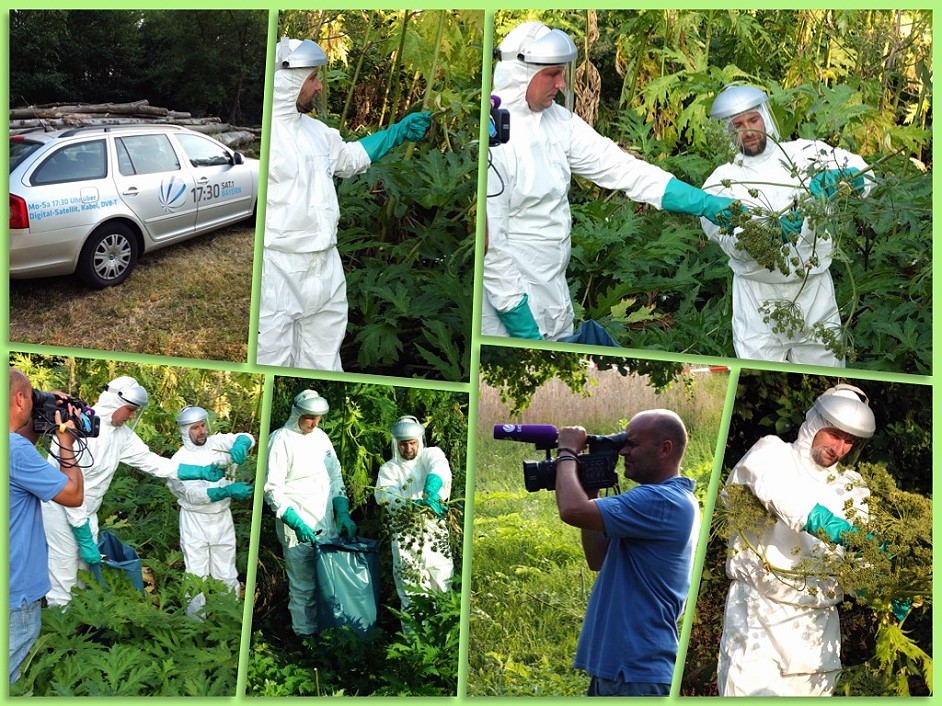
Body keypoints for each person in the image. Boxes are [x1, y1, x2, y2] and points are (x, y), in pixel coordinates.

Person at [484, 22, 742, 341]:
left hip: (552, 303)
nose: (562, 84)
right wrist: (521, 325)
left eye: (561, 73)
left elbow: (623, 168)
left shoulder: (557, 123)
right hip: (507, 322)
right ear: (521, 71)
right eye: (551, 74)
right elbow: (490, 245)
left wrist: (704, 203)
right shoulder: (494, 141)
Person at [258, 37, 432, 371]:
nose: (319, 85)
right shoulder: (267, 138)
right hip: (277, 271)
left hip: (325, 267)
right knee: (272, 361)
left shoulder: (316, 132)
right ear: (287, 81)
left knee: (324, 361)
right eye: (312, 79)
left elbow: (350, 157)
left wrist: (396, 133)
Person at [717, 384, 876, 696]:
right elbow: (780, 492)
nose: (840, 447)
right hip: (760, 614)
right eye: (835, 434)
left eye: (849, 441)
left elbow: (859, 565)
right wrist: (828, 524)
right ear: (816, 421)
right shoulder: (771, 452)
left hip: (819, 626)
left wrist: (880, 580)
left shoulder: (853, 487)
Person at [700, 84, 872, 365]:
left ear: (766, 117)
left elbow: (868, 174)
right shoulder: (721, 182)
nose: (749, 131)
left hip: (814, 292)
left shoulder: (806, 152)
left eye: (753, 120)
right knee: (755, 373)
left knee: (827, 372)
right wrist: (765, 235)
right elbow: (725, 236)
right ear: (729, 132)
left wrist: (840, 180)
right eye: (739, 125)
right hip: (758, 300)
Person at [41, 376, 225, 607]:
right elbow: (67, 487)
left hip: (88, 511)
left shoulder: (121, 434)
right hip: (60, 510)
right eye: (129, 410)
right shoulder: (78, 428)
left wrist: (199, 471)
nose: (131, 416)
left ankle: (81, 623)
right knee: (64, 574)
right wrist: (83, 535)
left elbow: (152, 462)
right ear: (113, 401)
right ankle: (60, 629)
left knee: (85, 574)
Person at [554, 410, 700, 696]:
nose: (623, 452)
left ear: (665, 449)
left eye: (632, 444)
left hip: (637, 672)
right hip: (618, 670)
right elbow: (598, 559)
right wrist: (592, 490)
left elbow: (571, 510)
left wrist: (567, 451)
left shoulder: (663, 500)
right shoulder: (663, 502)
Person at [8, 368, 85, 683]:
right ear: (19, 399)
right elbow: (73, 494)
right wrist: (65, 440)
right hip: (14, 599)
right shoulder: (15, 452)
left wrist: (40, 411)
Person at [263, 389, 357, 636]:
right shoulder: (280, 439)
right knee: (303, 587)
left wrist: (343, 512)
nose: (314, 423)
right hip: (298, 530)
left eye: (318, 418)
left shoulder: (321, 438)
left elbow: (335, 477)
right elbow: (272, 489)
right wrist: (295, 522)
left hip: (327, 526)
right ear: (297, 414)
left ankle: (328, 635)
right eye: (309, 418)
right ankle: (304, 638)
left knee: (328, 585)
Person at [167, 406, 255, 618]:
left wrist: (242, 444)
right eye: (195, 428)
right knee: (196, 575)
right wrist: (225, 490)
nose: (201, 431)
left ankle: (229, 618)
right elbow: (191, 494)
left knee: (226, 571)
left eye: (202, 425)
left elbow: (246, 437)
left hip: (222, 518)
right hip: (195, 521)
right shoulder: (178, 460)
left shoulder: (217, 444)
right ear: (184, 431)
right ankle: (195, 625)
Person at [375, 415, 454, 610]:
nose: (408, 449)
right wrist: (413, 505)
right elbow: (386, 497)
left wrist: (430, 490)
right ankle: (415, 638)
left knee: (443, 586)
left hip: (434, 533)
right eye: (403, 444)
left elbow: (439, 468)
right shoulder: (389, 469)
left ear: (419, 440)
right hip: (406, 538)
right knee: (412, 597)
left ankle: (442, 637)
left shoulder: (430, 454)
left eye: (412, 443)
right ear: (396, 444)